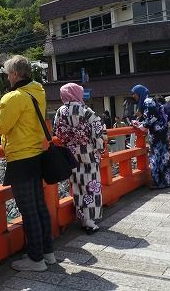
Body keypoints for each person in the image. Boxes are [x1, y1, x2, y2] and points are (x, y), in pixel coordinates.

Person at [0, 55, 55, 272]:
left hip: (20, 158)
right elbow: (21, 117)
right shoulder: (37, 91)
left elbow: (2, 126)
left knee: (28, 209)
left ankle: (35, 259)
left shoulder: (13, 97)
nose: (7, 78)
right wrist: (0, 107)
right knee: (39, 206)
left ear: (14, 74)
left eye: (7, 74)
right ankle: (47, 252)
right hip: (36, 155)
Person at [53, 83, 106, 234]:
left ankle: (82, 218)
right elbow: (97, 130)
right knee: (91, 184)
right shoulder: (85, 110)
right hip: (88, 153)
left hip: (71, 153)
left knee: (77, 185)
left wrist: (69, 141)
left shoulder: (60, 111)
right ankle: (90, 221)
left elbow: (58, 131)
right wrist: (100, 146)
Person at [130, 84, 170, 189]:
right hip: (162, 133)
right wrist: (141, 123)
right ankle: (166, 182)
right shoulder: (149, 101)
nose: (133, 96)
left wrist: (140, 126)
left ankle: (157, 182)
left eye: (134, 94)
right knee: (164, 158)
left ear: (140, 93)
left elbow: (151, 119)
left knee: (155, 158)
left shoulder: (147, 102)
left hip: (158, 134)